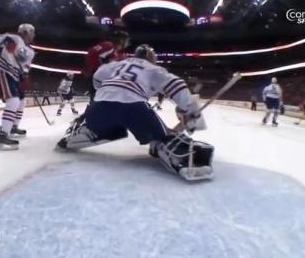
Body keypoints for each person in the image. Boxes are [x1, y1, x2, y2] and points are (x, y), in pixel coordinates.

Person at [56, 44, 214, 181]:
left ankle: (79, 136)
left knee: (108, 127)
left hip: (99, 107)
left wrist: (107, 91)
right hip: (132, 107)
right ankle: (176, 154)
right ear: (152, 58)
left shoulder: (117, 64)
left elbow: (97, 76)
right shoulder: (154, 69)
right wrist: (191, 110)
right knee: (162, 137)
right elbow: (177, 85)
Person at [0, 23, 35, 150]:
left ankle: (13, 127)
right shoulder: (13, 37)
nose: (34, 35)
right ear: (26, 32)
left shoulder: (31, 52)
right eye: (32, 32)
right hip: (4, 71)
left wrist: (25, 77)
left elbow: (25, 67)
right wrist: (5, 40)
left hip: (16, 76)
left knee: (21, 101)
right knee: (13, 101)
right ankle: (3, 135)